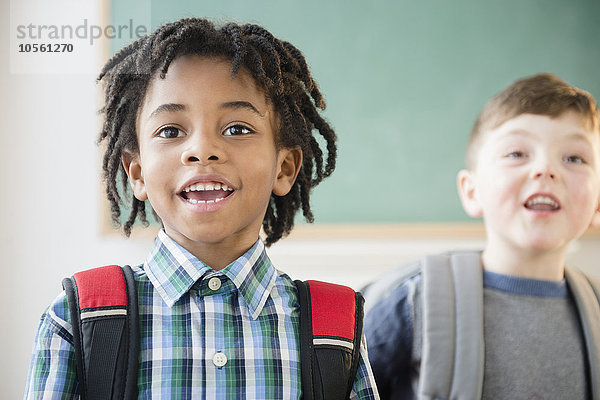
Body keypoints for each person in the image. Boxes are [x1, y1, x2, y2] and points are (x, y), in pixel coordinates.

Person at [24, 18, 379, 399]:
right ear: (137, 173)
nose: (201, 149)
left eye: (237, 129)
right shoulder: (79, 318)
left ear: (285, 168)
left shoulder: (336, 326)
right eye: (171, 131)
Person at [364, 73, 600, 399]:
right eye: (517, 153)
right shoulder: (414, 298)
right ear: (472, 191)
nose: (546, 169)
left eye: (574, 158)